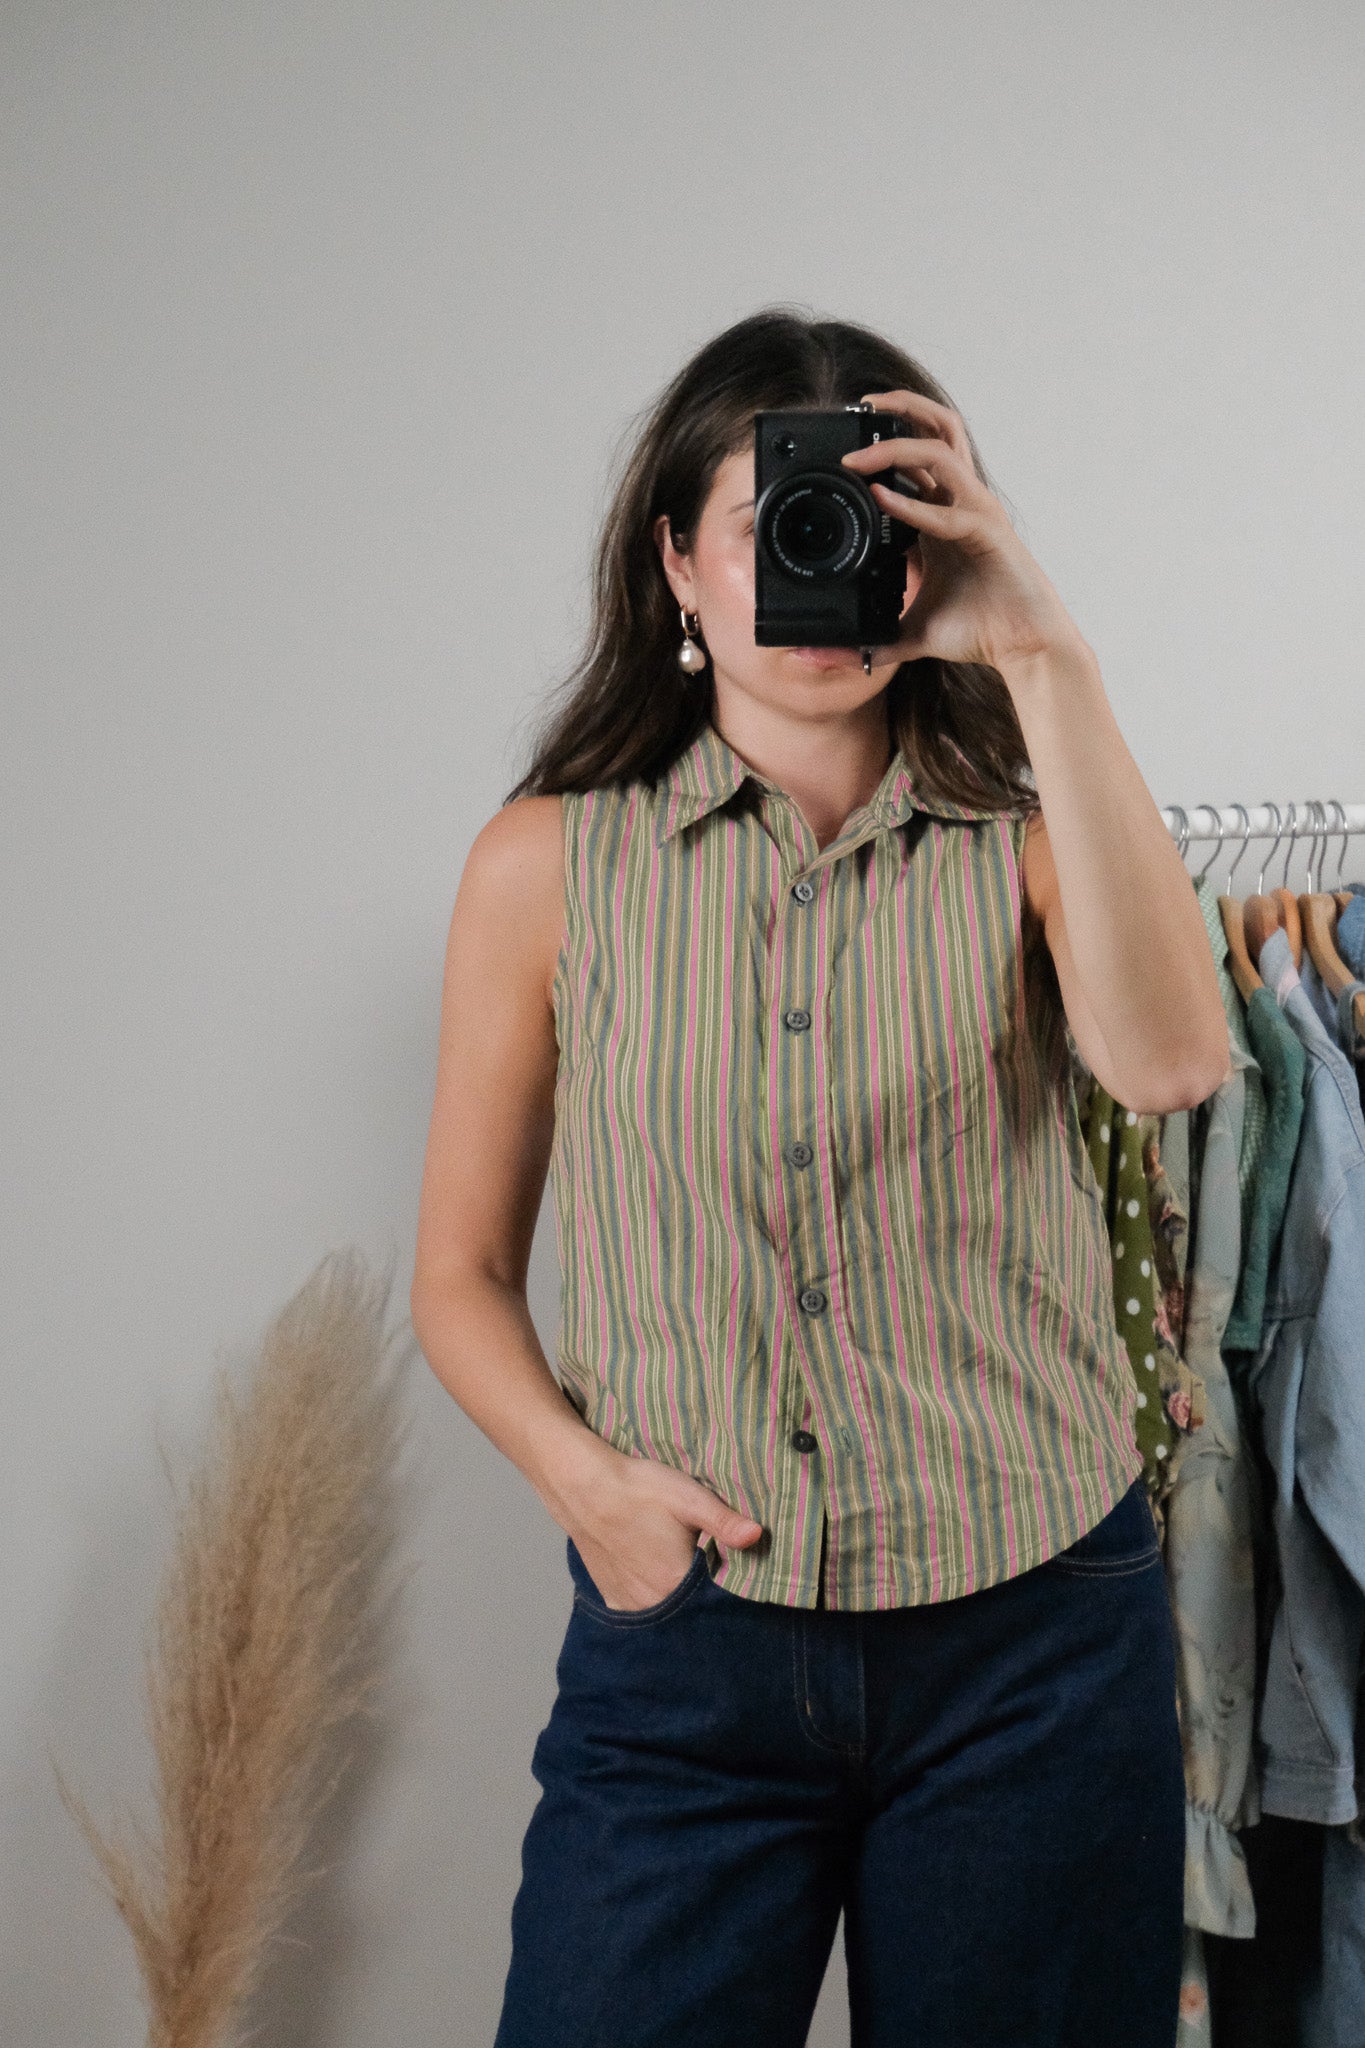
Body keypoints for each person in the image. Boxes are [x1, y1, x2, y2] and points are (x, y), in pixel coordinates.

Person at [409, 306, 1230, 2047]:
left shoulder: (1030, 845)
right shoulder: (545, 866)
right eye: (775, 524)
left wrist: (1046, 654)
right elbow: (461, 1277)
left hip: (1030, 1644)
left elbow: (1173, 1065)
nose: (822, 567)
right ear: (676, 566)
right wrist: (587, 1489)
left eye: (871, 526)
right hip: (685, 1655)